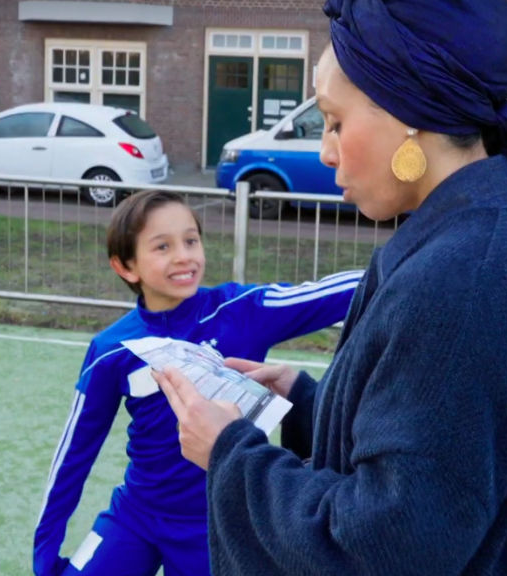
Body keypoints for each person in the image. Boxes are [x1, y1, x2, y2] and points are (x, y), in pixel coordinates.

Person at [151, 1, 507, 575]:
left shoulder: (462, 278)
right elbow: (455, 457)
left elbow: (385, 544)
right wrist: (308, 404)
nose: (325, 149)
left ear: (409, 114)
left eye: (335, 122)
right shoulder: (488, 233)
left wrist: (229, 452)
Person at [32, 190, 363, 576]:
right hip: (136, 514)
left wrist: (411, 264)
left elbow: (332, 292)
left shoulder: (241, 311)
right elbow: (74, 453)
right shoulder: (111, 350)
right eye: (162, 246)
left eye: (191, 240)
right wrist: (45, 555)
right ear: (126, 267)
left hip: (217, 523)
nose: (184, 255)